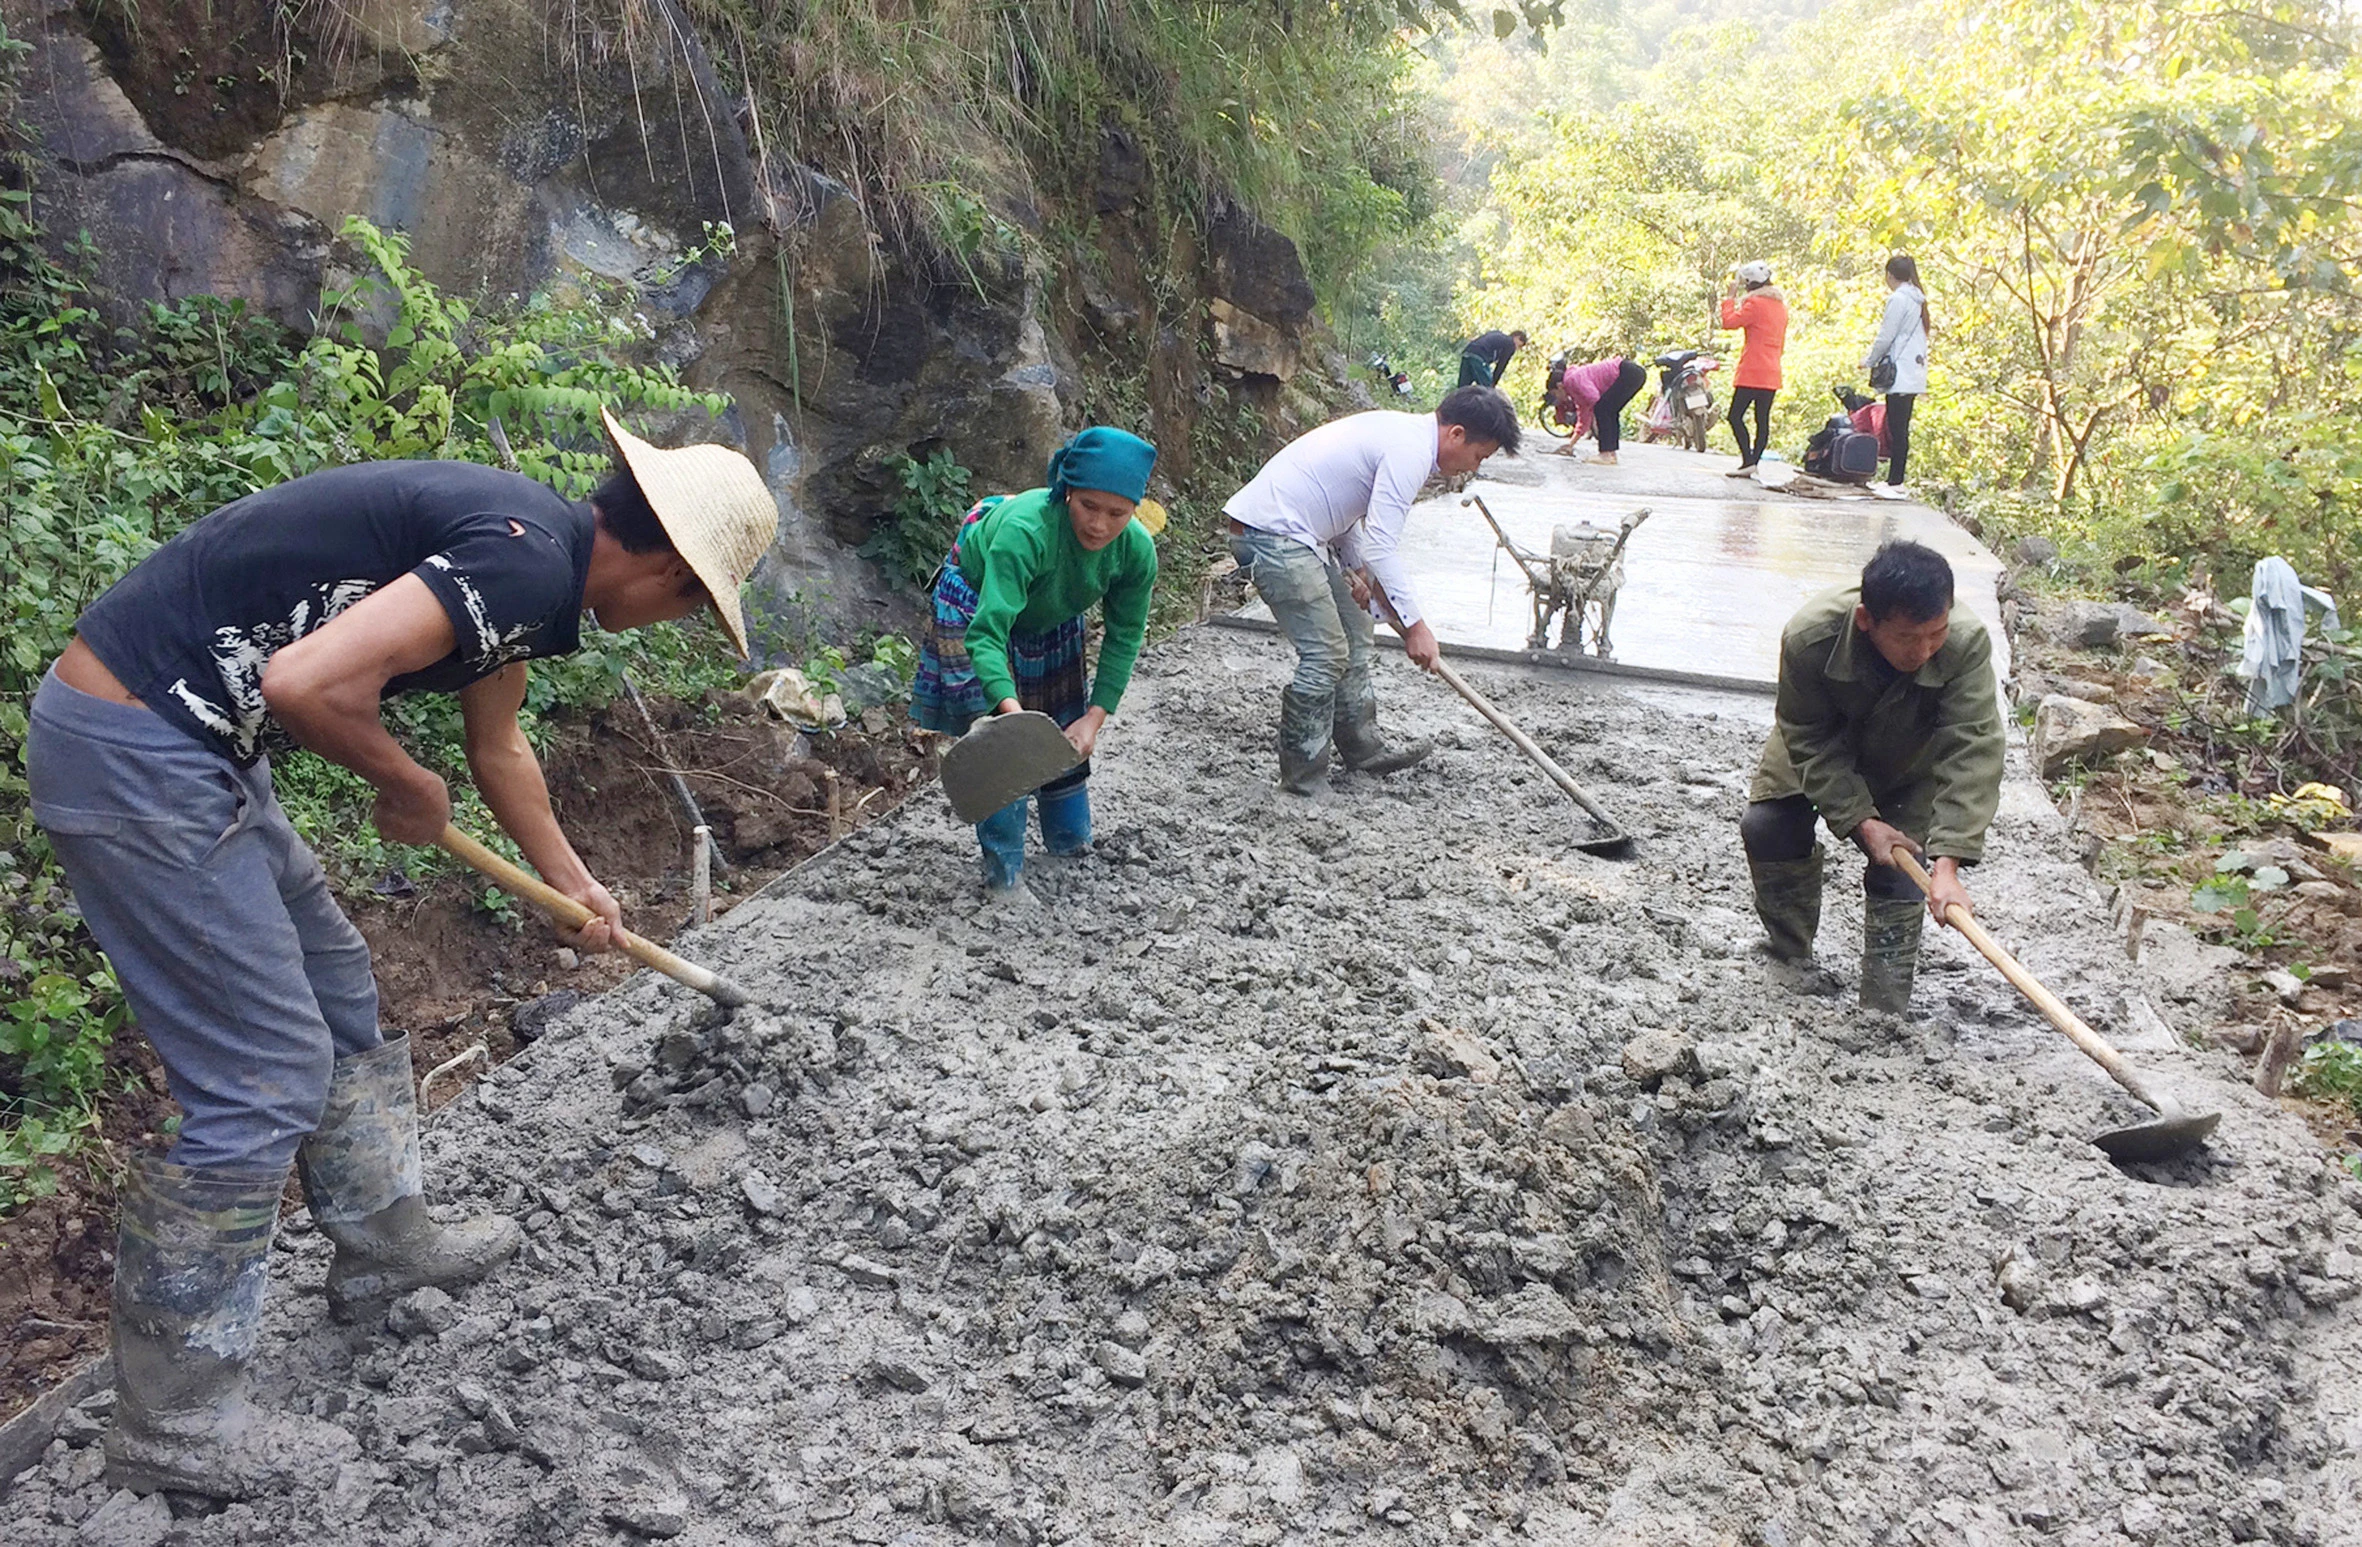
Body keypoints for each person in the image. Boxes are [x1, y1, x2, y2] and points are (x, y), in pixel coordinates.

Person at [26, 409, 780, 1498]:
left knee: (337, 989)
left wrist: (569, 876)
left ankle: (385, 1246)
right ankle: (174, 1415)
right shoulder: (522, 561)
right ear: (662, 568)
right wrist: (407, 786)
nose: (670, 625)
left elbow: (498, 740)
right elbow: (301, 682)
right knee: (261, 1074)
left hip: (196, 743)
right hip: (137, 748)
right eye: (687, 608)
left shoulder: (533, 561)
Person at [1740, 540, 2002, 1013]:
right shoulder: (1809, 637)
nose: (1923, 651)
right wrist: (1860, 818)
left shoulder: (1964, 643)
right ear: (1866, 620)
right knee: (1769, 826)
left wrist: (1947, 869)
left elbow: (1974, 746)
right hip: (1826, 741)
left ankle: (1883, 1006)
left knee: (1904, 870)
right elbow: (1807, 735)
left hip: (1911, 753)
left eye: (1935, 634)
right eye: (1907, 638)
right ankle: (1790, 952)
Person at [1225, 385, 1521, 793]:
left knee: (1356, 630)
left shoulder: (1400, 435)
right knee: (1326, 653)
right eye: (1478, 456)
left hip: (1298, 535)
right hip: (1271, 535)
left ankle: (1363, 751)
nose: (1472, 468)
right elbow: (1383, 544)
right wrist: (1416, 627)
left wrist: (1361, 576)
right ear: (1456, 434)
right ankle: (1302, 781)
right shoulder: (1409, 451)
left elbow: (1344, 513)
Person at [911, 427, 1159, 896]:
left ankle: (1070, 844)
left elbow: (1125, 637)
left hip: (1051, 613)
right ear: (1066, 492)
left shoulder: (1136, 552)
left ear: (1134, 511)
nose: (1100, 525)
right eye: (1088, 506)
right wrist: (1013, 717)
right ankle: (1003, 874)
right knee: (1002, 748)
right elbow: (986, 634)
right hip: (978, 603)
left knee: (1065, 729)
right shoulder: (1027, 531)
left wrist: (1093, 719)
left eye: (1117, 513)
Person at [1862, 254, 1930, 487]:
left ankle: (1895, 482)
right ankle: (1895, 480)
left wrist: (1870, 360)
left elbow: (1886, 336)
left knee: (1896, 428)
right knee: (1900, 426)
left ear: (1890, 275)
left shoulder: (1899, 299)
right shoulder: (1918, 299)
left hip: (1901, 371)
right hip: (1914, 371)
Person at [1718, 260, 1789, 474]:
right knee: (1762, 419)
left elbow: (1728, 322)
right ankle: (1753, 462)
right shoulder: (1781, 307)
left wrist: (1729, 298)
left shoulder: (1755, 304)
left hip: (1753, 369)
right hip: (1772, 370)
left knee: (1735, 415)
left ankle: (1748, 462)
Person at [1551, 353, 1648, 464]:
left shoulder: (1572, 380)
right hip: (1634, 373)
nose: (1557, 398)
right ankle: (1611, 454)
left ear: (1559, 386)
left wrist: (1597, 421)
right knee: (1610, 410)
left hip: (1628, 372)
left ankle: (1605, 454)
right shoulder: (1575, 390)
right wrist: (1570, 444)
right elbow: (1583, 419)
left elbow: (1594, 398)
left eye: (1555, 394)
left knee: (1603, 409)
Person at [1457, 328, 1527, 388]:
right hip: (1480, 356)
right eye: (1520, 345)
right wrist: (1493, 383)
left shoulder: (1498, 336)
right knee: (1487, 390)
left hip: (1468, 352)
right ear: (1517, 337)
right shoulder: (1510, 343)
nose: (1517, 348)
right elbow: (1502, 365)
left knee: (1463, 389)